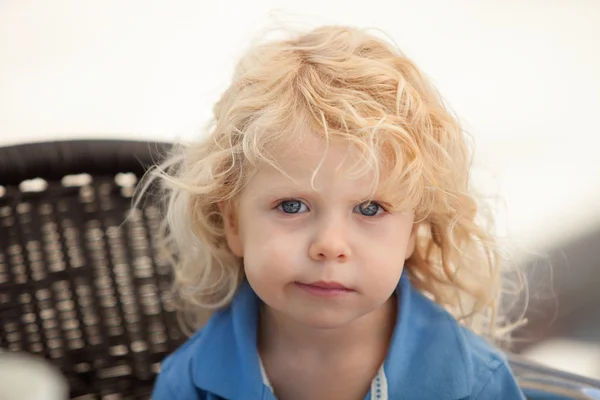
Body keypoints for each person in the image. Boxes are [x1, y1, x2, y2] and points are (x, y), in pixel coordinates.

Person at [149, 25, 526, 399]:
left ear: (413, 231)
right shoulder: (188, 385)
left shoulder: (477, 386)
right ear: (233, 223)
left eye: (370, 208)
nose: (330, 245)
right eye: (291, 206)